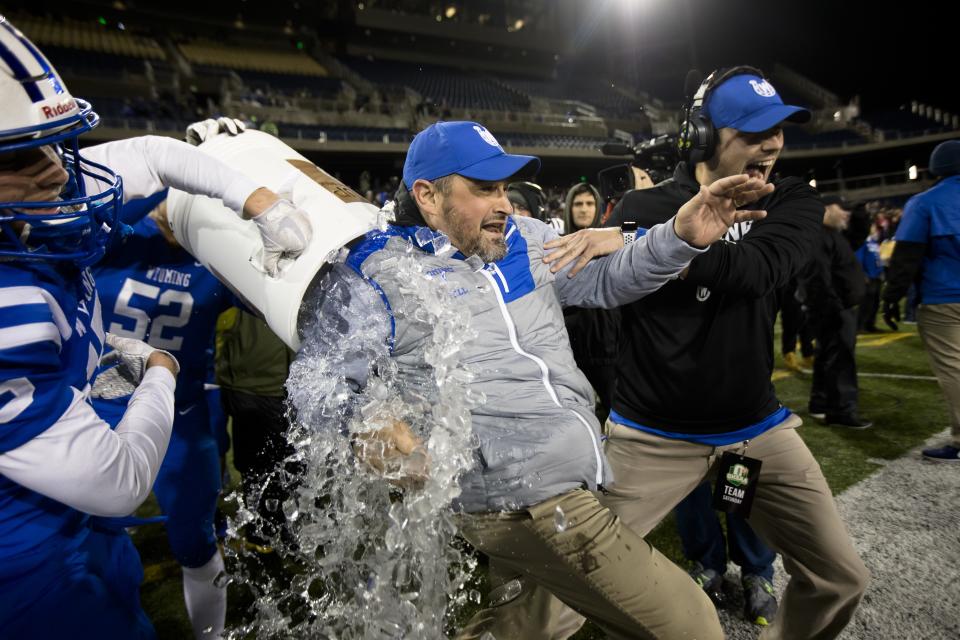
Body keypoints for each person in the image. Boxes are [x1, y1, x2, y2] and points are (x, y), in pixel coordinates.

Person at [309, 120, 771, 640]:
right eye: (485, 189)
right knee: (691, 625)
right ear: (428, 195)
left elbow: (607, 279)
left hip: (561, 470)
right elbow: (323, 380)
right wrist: (368, 421)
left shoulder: (524, 238)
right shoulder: (377, 270)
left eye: (505, 188)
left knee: (526, 627)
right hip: (519, 494)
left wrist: (679, 239)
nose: (504, 204)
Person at [0, 19, 311, 638]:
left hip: (160, 425)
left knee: (191, 543)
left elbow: (151, 155)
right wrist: (159, 371)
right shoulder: (28, 297)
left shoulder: (59, 221)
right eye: (18, 156)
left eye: (51, 148)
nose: (61, 176)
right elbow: (113, 479)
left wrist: (258, 199)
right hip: (45, 546)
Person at [552, 67, 870, 638]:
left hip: (752, 436)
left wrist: (651, 241)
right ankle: (704, 562)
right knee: (566, 585)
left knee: (838, 577)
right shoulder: (644, 204)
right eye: (752, 131)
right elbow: (585, 283)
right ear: (701, 137)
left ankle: (751, 573)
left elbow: (756, 271)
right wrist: (652, 231)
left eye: (779, 130)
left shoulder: (790, 198)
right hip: (651, 439)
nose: (771, 143)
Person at [91, 196, 233, 639]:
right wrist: (156, 184)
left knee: (196, 542)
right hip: (94, 413)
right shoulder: (117, 234)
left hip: (179, 417)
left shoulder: (217, 253)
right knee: (93, 545)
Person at [883, 140, 960, 461]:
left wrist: (892, 299)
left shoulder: (925, 202)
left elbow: (906, 258)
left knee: (955, 370)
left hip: (945, 298)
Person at [803, 194, 870, 429]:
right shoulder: (817, 236)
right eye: (841, 208)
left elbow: (857, 236)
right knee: (841, 359)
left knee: (828, 356)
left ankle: (821, 403)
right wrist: (835, 308)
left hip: (834, 307)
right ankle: (841, 411)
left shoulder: (832, 234)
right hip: (833, 308)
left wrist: (861, 214)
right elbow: (817, 278)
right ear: (824, 209)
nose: (847, 213)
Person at [856, 223, 884, 332]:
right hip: (868, 277)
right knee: (865, 303)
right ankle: (860, 325)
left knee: (875, 303)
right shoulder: (863, 242)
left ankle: (870, 324)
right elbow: (858, 259)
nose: (875, 229)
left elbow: (877, 258)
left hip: (876, 277)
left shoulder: (874, 242)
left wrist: (881, 272)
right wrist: (862, 274)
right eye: (872, 227)